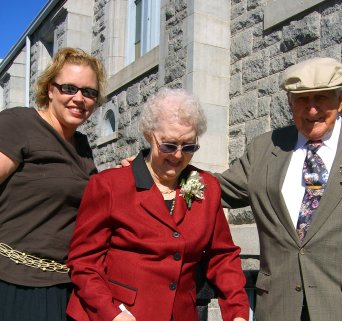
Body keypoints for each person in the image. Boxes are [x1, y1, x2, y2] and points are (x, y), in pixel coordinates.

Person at [215, 57, 342, 321]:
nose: (312, 110)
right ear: (289, 102)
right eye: (302, 99)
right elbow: (216, 189)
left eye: (322, 98)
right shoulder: (264, 149)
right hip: (279, 309)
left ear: (341, 99)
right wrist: (159, 168)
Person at [66, 88, 249, 321]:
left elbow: (222, 255)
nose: (178, 155)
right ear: (149, 135)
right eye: (169, 145)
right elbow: (84, 262)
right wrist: (111, 313)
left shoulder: (207, 186)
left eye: (189, 146)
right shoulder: (109, 186)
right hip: (119, 314)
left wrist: (237, 312)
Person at [0, 47, 106, 321]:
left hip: (65, 286)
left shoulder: (82, 146)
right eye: (69, 88)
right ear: (49, 89)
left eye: (89, 92)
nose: (79, 98)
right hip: (15, 283)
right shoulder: (19, 124)